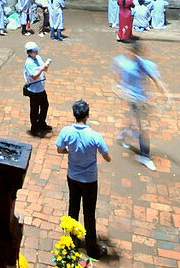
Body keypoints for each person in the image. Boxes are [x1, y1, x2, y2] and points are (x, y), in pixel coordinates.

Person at [55, 101, 111, 258]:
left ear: (74, 114)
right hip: (90, 180)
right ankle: (92, 248)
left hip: (73, 177)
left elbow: (59, 149)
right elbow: (107, 158)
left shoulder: (66, 132)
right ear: (87, 115)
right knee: (89, 212)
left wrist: (70, 153)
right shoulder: (95, 136)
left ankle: (72, 243)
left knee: (73, 208)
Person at [112, 41, 171, 171]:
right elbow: (117, 77)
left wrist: (165, 93)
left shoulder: (146, 64)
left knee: (136, 122)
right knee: (141, 127)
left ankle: (123, 134)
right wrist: (119, 88)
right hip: (132, 99)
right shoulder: (121, 61)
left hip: (141, 99)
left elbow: (156, 79)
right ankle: (145, 156)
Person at [23, 42, 52, 135]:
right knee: (35, 110)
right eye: (34, 51)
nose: (36, 53)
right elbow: (34, 76)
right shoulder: (29, 63)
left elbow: (44, 68)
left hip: (41, 88)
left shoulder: (38, 58)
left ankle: (41, 123)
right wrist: (42, 69)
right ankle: (34, 128)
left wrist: (45, 66)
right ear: (30, 52)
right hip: (34, 90)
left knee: (45, 106)